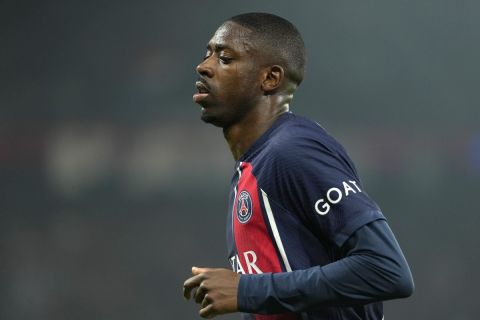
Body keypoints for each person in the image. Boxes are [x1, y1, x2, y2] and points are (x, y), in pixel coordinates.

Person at [183, 12, 414, 320]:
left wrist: (248, 290)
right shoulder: (253, 166)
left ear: (270, 78)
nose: (203, 66)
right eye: (207, 54)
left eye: (224, 58)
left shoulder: (291, 151)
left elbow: (386, 269)